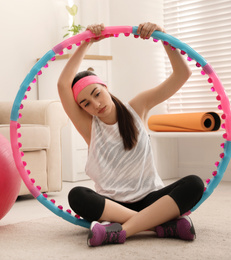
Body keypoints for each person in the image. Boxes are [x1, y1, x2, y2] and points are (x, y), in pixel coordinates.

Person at [57, 22, 205, 247]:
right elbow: (62, 85)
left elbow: (182, 74)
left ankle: (122, 231)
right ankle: (161, 225)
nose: (95, 105)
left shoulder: (138, 107)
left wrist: (164, 39)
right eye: (86, 103)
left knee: (194, 184)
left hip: (151, 199)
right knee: (77, 195)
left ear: (106, 87)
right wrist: (86, 42)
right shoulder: (89, 127)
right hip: (113, 206)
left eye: (97, 94)